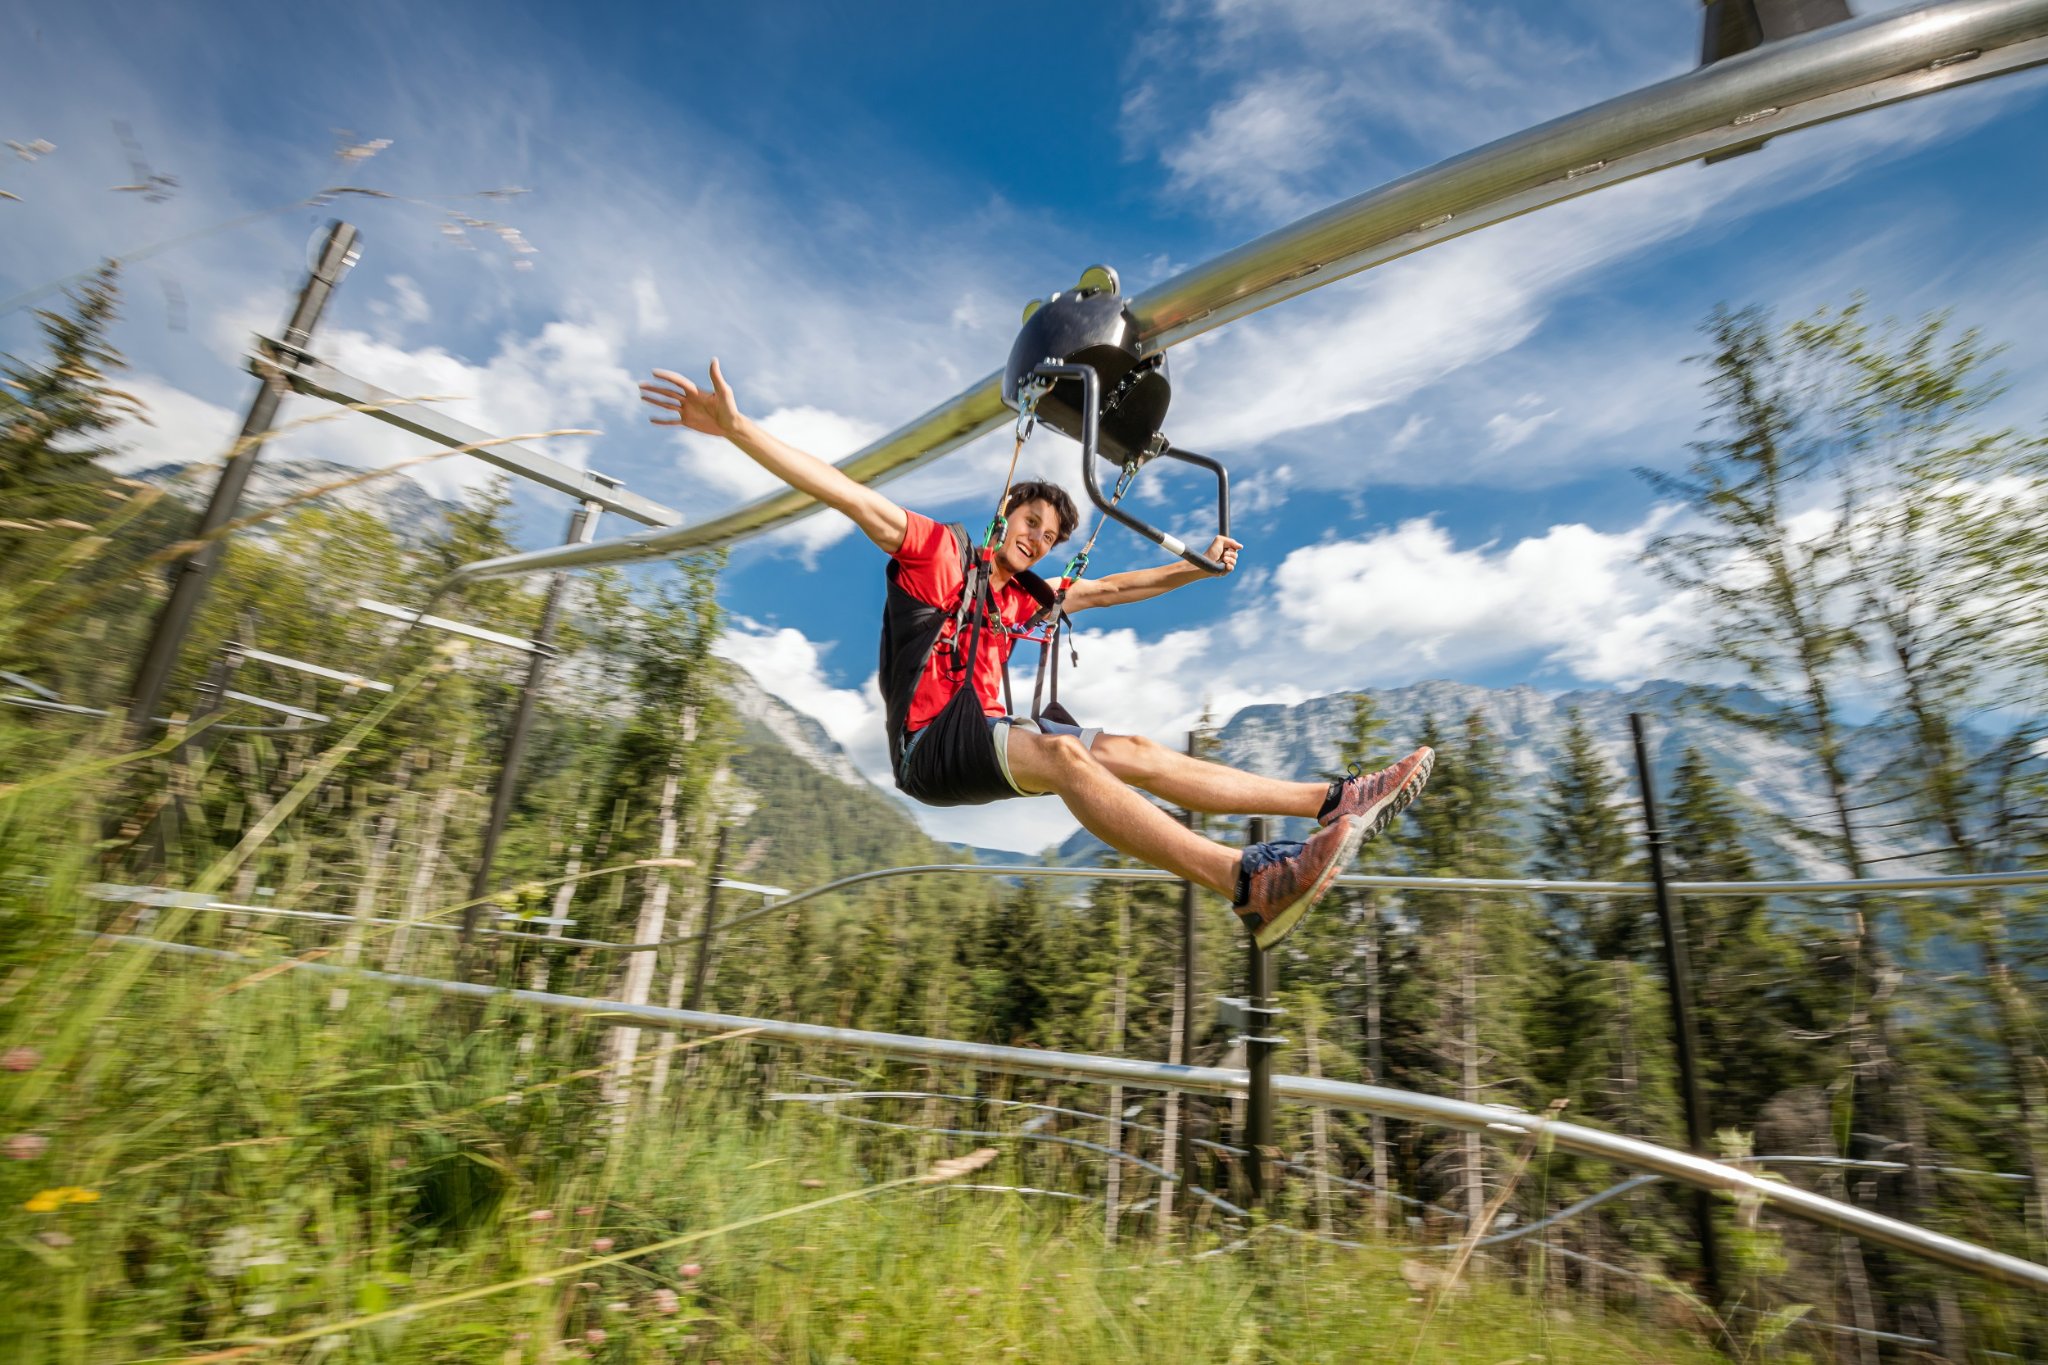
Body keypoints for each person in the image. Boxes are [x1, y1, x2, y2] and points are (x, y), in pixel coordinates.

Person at [641, 360, 1432, 949]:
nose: (1038, 540)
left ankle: (1332, 800)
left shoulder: (1026, 597)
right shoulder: (935, 551)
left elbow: (1115, 589)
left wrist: (1198, 562)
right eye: (1030, 524)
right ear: (1004, 509)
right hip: (930, 744)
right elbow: (844, 491)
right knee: (1065, 756)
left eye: (1052, 537)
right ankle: (1249, 880)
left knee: (1128, 747)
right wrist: (738, 429)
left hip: (982, 731)